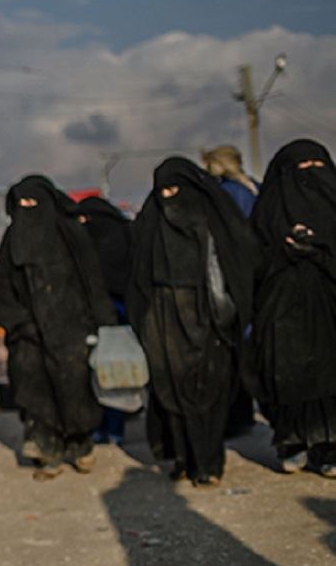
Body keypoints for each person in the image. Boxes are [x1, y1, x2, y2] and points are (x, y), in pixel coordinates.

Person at [128, 158, 260, 486]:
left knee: (209, 394)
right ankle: (184, 460)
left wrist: (227, 314)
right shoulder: (151, 222)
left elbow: (236, 264)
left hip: (209, 317)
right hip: (164, 320)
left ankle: (209, 463)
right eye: (164, 191)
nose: (170, 197)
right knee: (171, 392)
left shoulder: (213, 220)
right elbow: (139, 275)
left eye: (177, 190)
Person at [0, 175, 114, 479]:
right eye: (22, 204)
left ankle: (81, 444)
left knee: (74, 389)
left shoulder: (71, 233)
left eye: (34, 202)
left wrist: (102, 321)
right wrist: (18, 322)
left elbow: (91, 279)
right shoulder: (13, 238)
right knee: (35, 392)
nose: (28, 210)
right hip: (28, 334)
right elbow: (3, 287)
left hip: (70, 328)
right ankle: (49, 452)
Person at [250, 139, 336, 476]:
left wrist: (318, 250)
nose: (312, 177)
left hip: (328, 307)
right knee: (284, 376)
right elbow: (252, 259)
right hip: (280, 308)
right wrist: (285, 252)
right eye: (302, 169)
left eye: (318, 167)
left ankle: (329, 447)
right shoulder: (268, 211)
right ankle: (291, 442)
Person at [73, 196, 134, 445]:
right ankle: (111, 426)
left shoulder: (102, 242)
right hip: (115, 315)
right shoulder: (123, 235)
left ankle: (108, 426)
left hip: (111, 315)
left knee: (106, 371)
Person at [202, 144, 259, 218]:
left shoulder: (225, 189)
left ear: (221, 163)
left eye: (210, 163)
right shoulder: (254, 185)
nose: (207, 167)